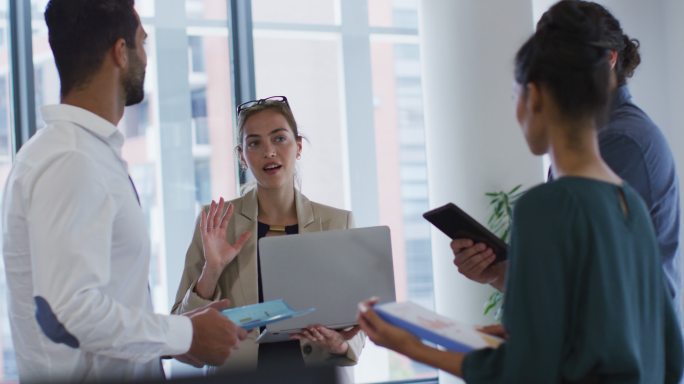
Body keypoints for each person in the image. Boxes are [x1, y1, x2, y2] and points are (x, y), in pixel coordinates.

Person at [357, 1, 684, 381]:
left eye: (515, 98)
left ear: (535, 96)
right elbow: (660, 347)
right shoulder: (629, 203)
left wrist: (412, 346)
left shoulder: (547, 206)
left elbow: (525, 370)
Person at [1, 1, 247, 382]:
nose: (145, 58)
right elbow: (70, 312)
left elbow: (98, 311)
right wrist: (186, 334)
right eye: (141, 43)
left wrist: (175, 338)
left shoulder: (78, 152)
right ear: (120, 52)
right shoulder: (72, 159)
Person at [452, 0, 682, 318]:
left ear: (608, 59)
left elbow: (589, 290)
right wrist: (496, 273)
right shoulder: (589, 144)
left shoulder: (619, 142)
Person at [171, 96, 365, 373]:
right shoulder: (216, 222)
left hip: (316, 374)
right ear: (242, 156)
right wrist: (211, 270)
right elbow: (179, 328)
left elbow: (358, 318)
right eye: (255, 143)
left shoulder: (336, 222)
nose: (269, 152)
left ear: (298, 146)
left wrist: (341, 344)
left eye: (279, 139)